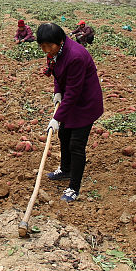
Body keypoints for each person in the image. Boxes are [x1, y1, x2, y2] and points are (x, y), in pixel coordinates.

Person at [38, 22, 104, 202]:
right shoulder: (54, 52)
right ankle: (65, 169)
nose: (46, 51)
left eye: (48, 46)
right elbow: (58, 74)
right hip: (70, 100)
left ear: (59, 41)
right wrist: (57, 91)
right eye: (42, 47)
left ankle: (74, 188)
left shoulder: (76, 56)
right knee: (64, 136)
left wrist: (56, 118)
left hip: (85, 103)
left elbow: (74, 92)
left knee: (76, 144)